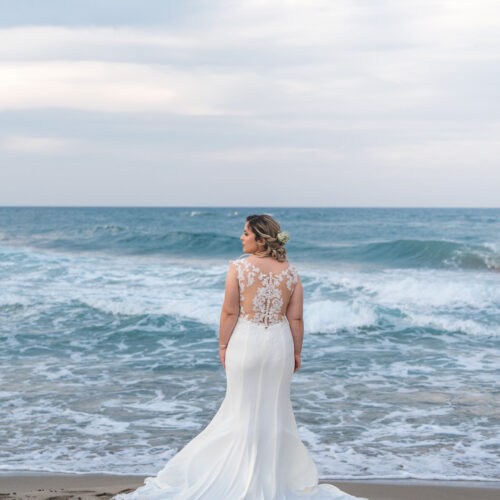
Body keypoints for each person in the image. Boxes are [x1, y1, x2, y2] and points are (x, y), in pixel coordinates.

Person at [112, 214, 368, 500]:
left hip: (245, 344)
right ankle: (270, 477)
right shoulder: (291, 272)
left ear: (260, 239)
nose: (242, 237)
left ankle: (238, 474)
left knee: (239, 409)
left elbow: (230, 312)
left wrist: (223, 346)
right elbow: (295, 318)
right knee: (274, 411)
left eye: (246, 233)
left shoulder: (238, 268)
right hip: (279, 346)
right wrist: (296, 351)